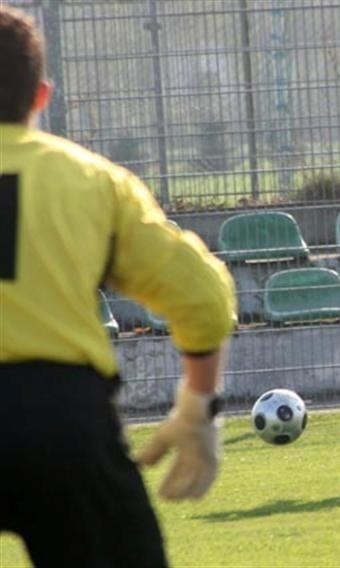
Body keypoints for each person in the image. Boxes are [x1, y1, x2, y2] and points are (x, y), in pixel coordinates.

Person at [0, 6, 236, 567]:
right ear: (41, 96)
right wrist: (197, 406)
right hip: (58, 420)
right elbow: (203, 296)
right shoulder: (92, 181)